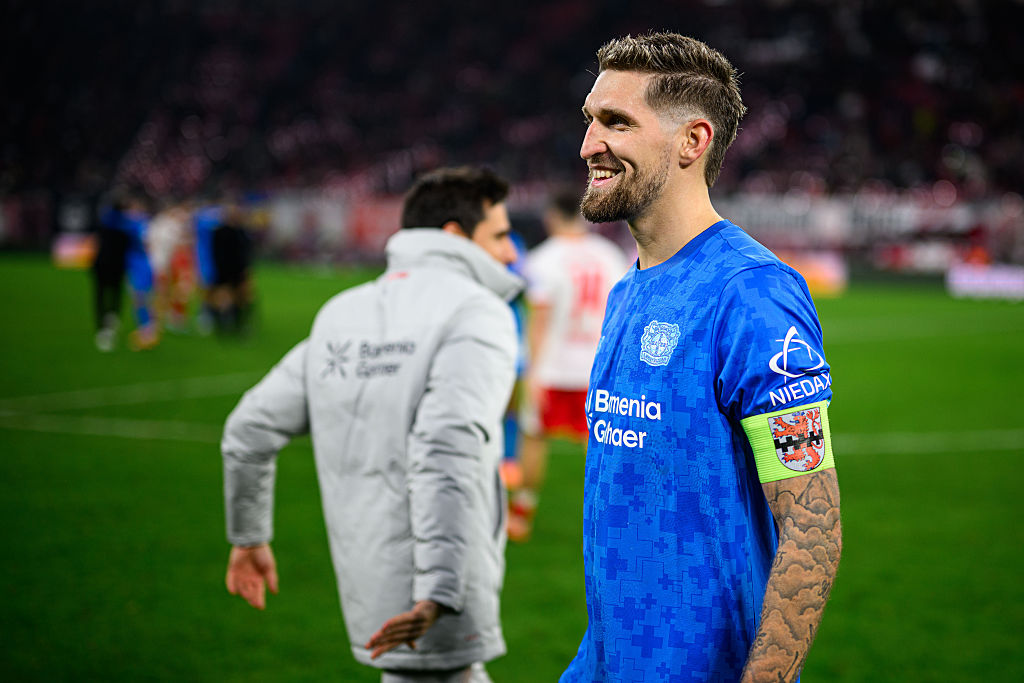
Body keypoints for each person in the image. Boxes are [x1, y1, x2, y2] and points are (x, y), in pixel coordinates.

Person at [561, 33, 842, 682]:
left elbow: (813, 524)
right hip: (606, 661)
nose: (588, 145)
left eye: (616, 122)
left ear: (692, 141)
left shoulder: (751, 292)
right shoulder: (629, 289)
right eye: (590, 120)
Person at [221, 166, 523, 683]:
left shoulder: (343, 311)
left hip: (368, 585)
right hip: (435, 593)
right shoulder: (478, 313)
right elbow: (446, 451)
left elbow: (247, 429)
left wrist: (248, 538)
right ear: (454, 235)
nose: (511, 252)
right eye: (499, 235)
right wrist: (438, 592)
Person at [507, 188, 628, 542]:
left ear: (551, 217)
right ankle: (609, 520)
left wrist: (530, 372)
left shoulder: (543, 259)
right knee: (607, 445)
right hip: (599, 368)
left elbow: (539, 319)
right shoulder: (610, 255)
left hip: (554, 368)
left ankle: (521, 514)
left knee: (533, 439)